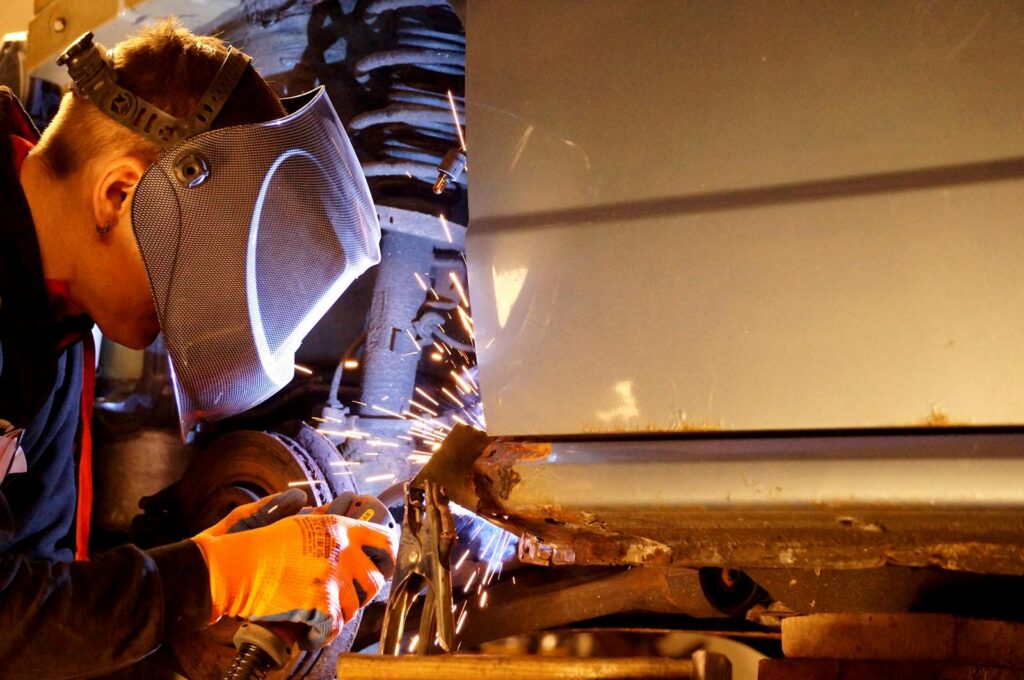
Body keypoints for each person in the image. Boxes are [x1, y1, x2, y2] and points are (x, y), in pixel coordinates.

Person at [0, 19, 394, 678]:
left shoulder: (57, 327)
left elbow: (41, 614)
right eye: (190, 267)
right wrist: (206, 578)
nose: (192, 308)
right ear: (120, 195)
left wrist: (203, 592)